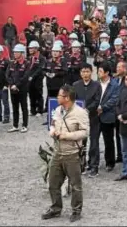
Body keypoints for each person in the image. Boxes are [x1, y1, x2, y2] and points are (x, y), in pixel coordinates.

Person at [42, 85, 89, 223]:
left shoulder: (81, 113)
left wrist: (66, 135)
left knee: (75, 185)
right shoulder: (57, 110)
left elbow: (85, 132)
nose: (57, 97)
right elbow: (53, 123)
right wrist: (52, 131)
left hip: (72, 154)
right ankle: (56, 208)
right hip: (57, 152)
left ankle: (76, 211)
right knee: (52, 183)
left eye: (59, 95)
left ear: (67, 98)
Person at [73, 63, 102, 176]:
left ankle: (94, 165)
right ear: (80, 73)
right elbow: (73, 100)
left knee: (94, 142)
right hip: (80, 119)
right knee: (81, 142)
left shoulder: (96, 85)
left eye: (87, 71)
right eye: (83, 72)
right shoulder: (76, 85)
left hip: (93, 117)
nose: (85, 74)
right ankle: (81, 164)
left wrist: (87, 109)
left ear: (91, 72)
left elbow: (97, 100)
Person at [96, 62, 120, 174]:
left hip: (108, 115)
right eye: (98, 71)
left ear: (107, 73)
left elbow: (114, 99)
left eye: (101, 71)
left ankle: (110, 162)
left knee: (108, 140)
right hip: (95, 115)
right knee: (94, 139)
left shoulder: (115, 85)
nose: (98, 73)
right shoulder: (96, 84)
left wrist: (102, 107)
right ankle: (93, 161)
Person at [6, 44, 30, 133]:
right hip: (12, 89)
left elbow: (25, 77)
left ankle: (24, 125)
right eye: (14, 52)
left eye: (17, 52)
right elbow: (7, 75)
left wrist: (17, 85)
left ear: (22, 53)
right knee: (15, 107)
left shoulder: (26, 63)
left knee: (24, 107)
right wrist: (12, 85)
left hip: (22, 89)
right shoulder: (12, 63)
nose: (15, 54)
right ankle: (15, 125)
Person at [113, 60, 127, 163]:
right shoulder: (114, 80)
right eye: (117, 67)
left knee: (124, 134)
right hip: (114, 110)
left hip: (124, 110)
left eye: (120, 67)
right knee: (117, 134)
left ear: (125, 69)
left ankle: (126, 153)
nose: (117, 69)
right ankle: (119, 154)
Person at [27, 41, 46, 117]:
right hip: (29, 79)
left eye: (31, 48)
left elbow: (40, 69)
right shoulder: (29, 57)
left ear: (36, 48)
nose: (30, 49)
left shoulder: (41, 58)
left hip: (37, 79)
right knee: (31, 95)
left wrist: (32, 76)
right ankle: (33, 110)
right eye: (29, 48)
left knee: (38, 94)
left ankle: (40, 110)